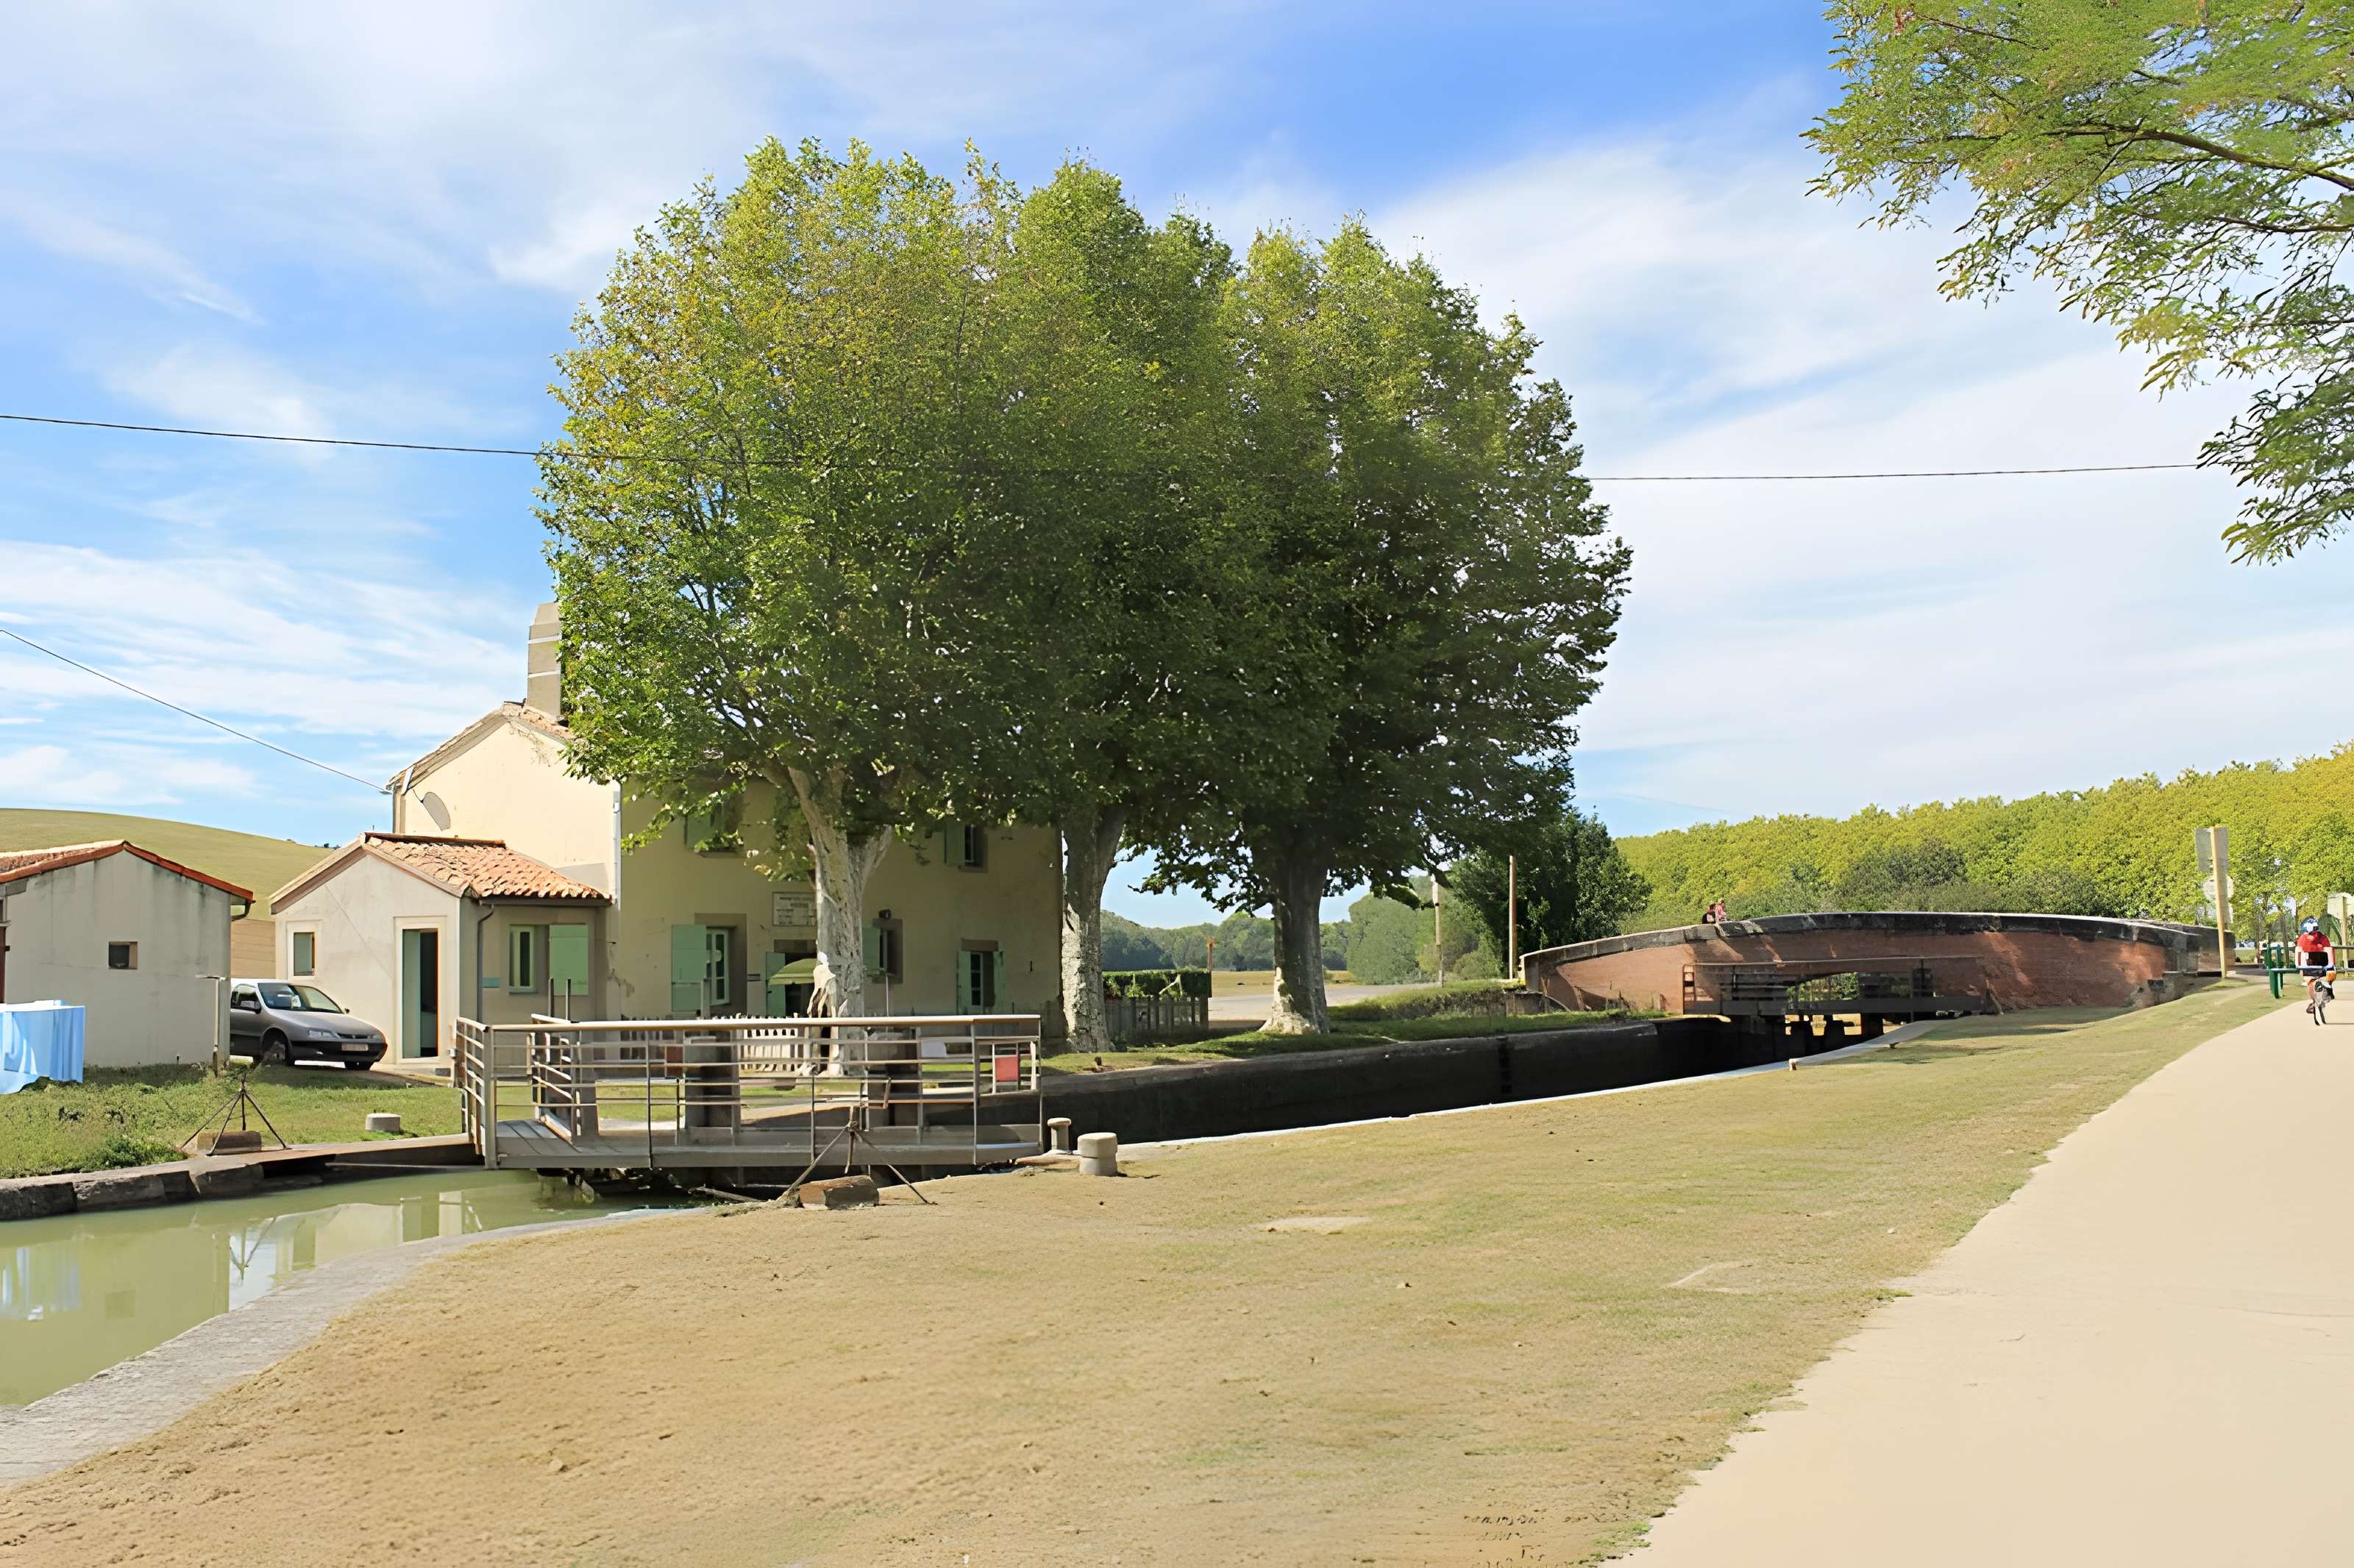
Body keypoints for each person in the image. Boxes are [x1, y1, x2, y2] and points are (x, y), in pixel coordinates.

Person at [2295, 916, 2335, 1012]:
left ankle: (2314, 1002)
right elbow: (2329, 950)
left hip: (2309, 964)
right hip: (2324, 964)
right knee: (2328, 976)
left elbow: (2299, 951)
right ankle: (2327, 987)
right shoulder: (2323, 937)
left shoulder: (2303, 938)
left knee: (2310, 981)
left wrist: (2299, 967)